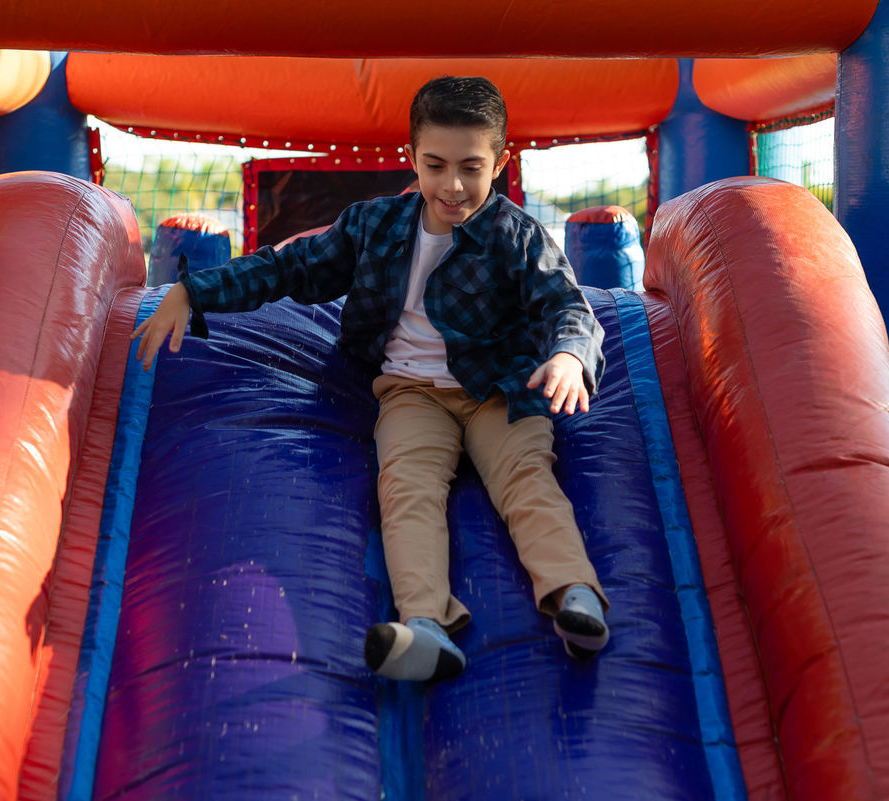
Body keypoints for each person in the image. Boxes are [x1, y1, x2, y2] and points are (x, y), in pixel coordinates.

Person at [131, 76, 610, 682]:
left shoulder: (518, 237)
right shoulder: (375, 227)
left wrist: (569, 356)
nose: (452, 186)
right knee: (406, 489)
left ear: (501, 162)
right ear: (412, 156)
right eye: (435, 165)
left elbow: (567, 307)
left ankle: (575, 594)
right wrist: (193, 288)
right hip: (410, 393)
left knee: (526, 482)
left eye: (471, 167)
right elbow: (289, 268)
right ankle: (427, 628)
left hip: (500, 388)